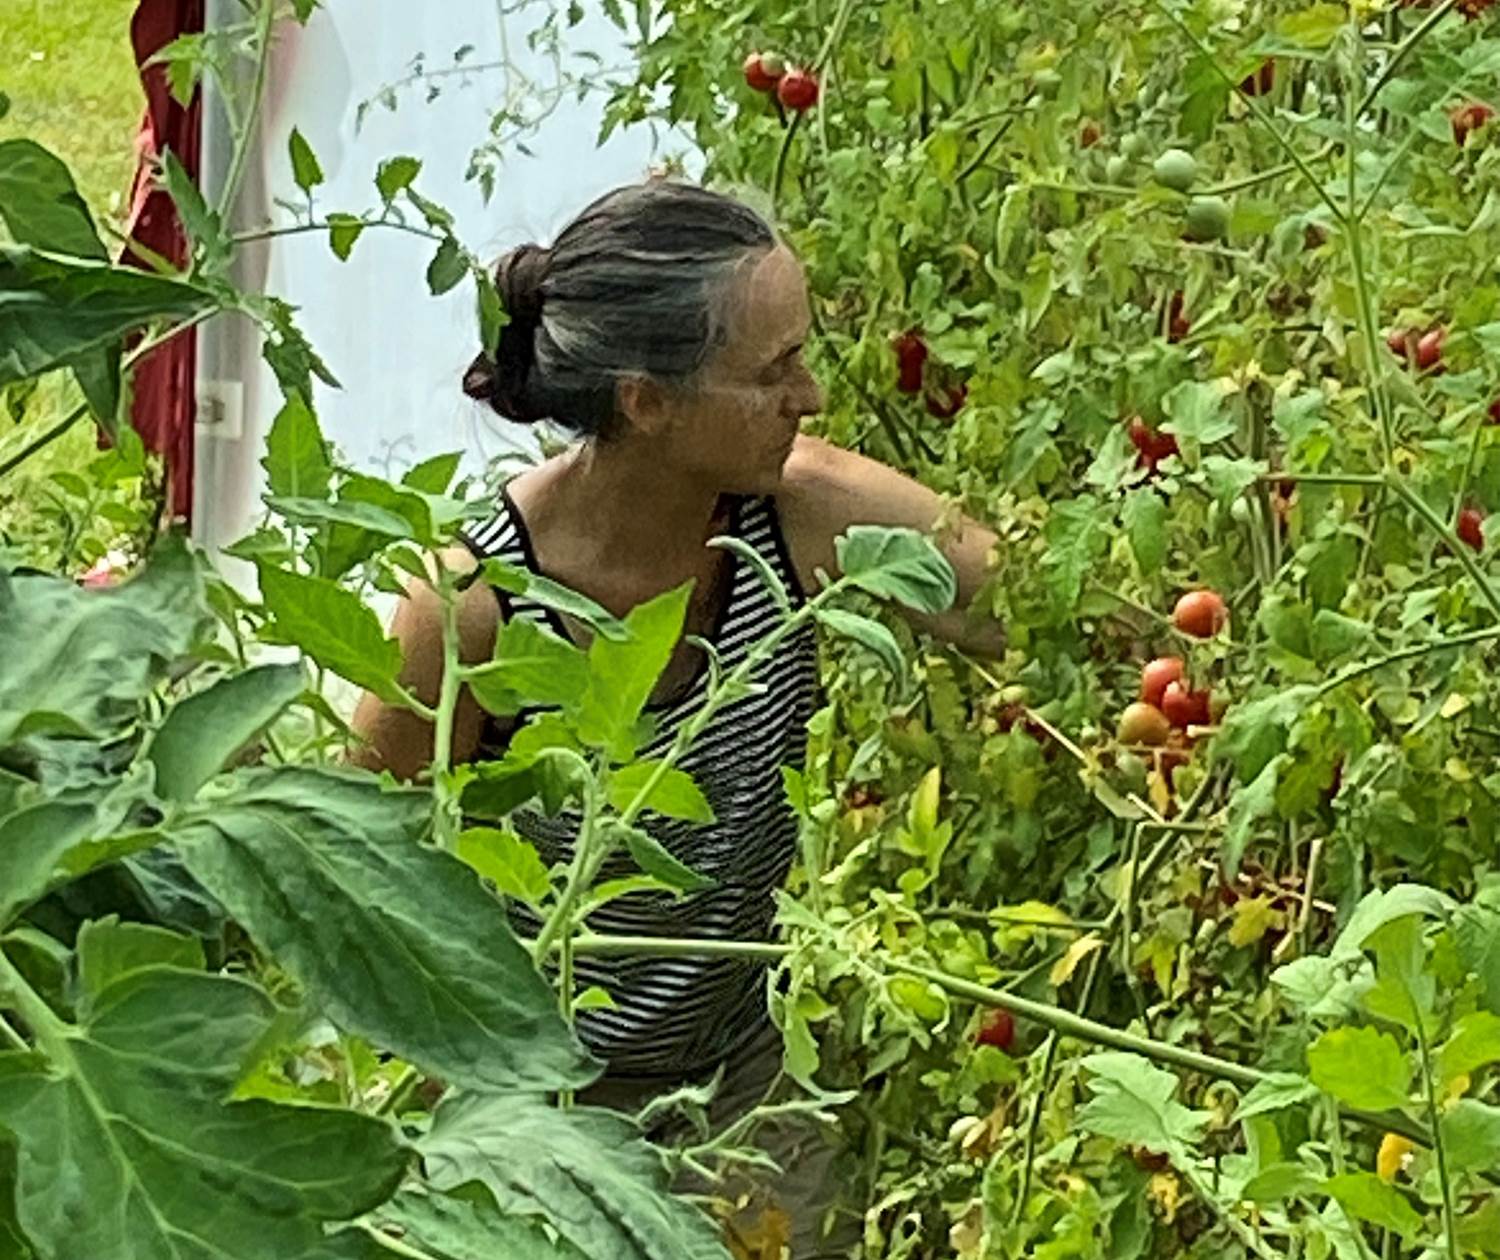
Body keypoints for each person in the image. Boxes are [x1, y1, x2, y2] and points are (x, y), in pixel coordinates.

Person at [350, 179, 1004, 1258]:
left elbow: (1024, 611)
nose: (812, 396)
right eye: (771, 371)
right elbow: (365, 893)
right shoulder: (471, 610)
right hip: (536, 1123)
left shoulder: (790, 516)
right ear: (647, 402)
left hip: (744, 1085)